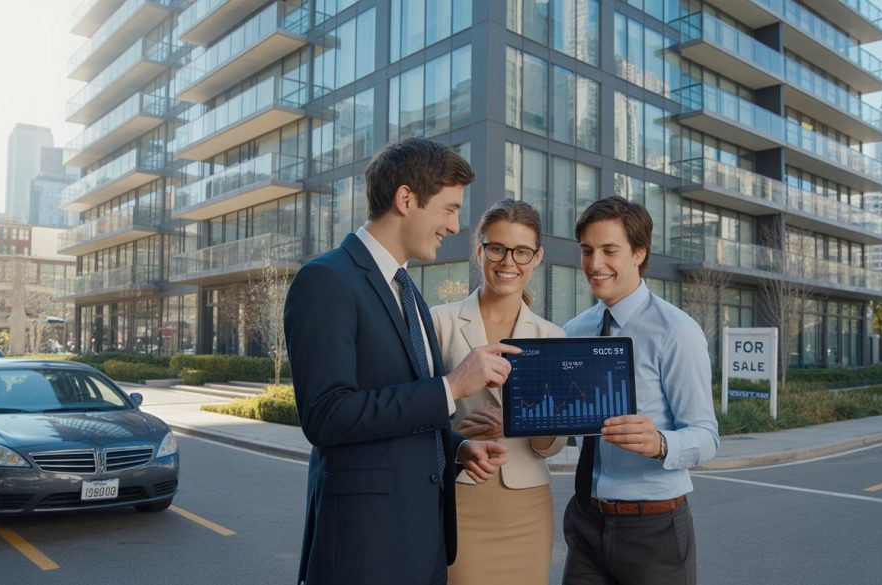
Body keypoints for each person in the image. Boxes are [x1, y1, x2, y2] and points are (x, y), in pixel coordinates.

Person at [284, 138, 519, 585]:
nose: (454, 226)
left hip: (423, 545)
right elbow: (328, 416)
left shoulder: (409, 292)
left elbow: (398, 420)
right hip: (366, 551)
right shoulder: (326, 280)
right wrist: (451, 387)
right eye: (449, 209)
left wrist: (455, 449)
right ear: (406, 199)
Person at [561, 196, 719, 585]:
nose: (594, 264)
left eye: (609, 250)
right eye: (587, 251)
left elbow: (707, 435)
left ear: (638, 254)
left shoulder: (676, 331)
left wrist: (661, 443)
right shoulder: (573, 331)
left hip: (654, 530)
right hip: (585, 521)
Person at [430, 199, 565, 585]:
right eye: (497, 248)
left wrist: (519, 421)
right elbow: (420, 411)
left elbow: (554, 443)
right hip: (460, 494)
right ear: (480, 251)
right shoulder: (440, 322)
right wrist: (458, 434)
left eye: (521, 251)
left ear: (536, 257)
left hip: (527, 504)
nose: (509, 262)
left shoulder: (551, 337)